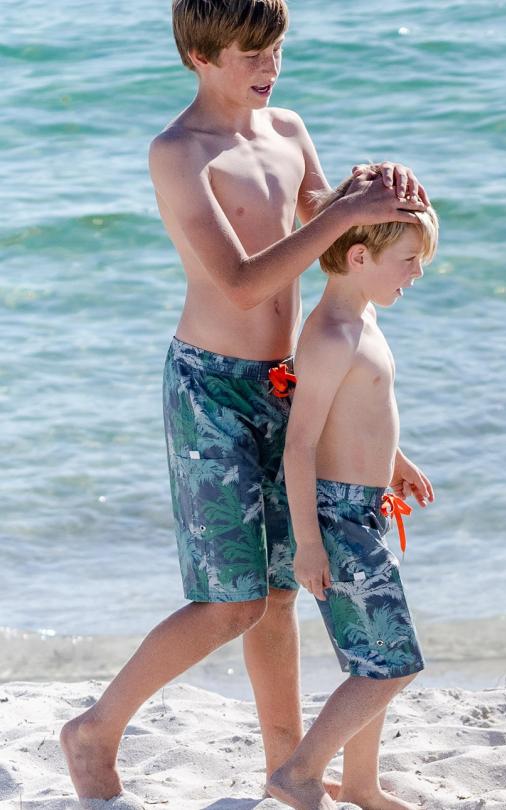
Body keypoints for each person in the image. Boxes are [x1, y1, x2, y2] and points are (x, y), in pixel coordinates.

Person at [60, 0, 433, 803]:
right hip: (211, 390)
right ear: (199, 56)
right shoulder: (178, 152)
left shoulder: (288, 131)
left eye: (276, 50)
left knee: (278, 594)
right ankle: (96, 728)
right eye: (247, 54)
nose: (267, 68)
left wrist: (383, 195)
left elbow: (338, 249)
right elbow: (238, 283)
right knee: (229, 601)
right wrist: (340, 209)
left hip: (289, 379)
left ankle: (285, 767)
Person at [264, 180, 438, 810]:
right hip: (336, 520)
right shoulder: (332, 332)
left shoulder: (361, 315)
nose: (416, 275)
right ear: (360, 256)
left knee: (374, 656)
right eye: (409, 261)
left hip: (363, 507)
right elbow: (300, 443)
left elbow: (361, 413)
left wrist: (394, 461)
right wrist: (309, 544)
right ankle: (297, 773)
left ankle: (361, 785)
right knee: (392, 663)